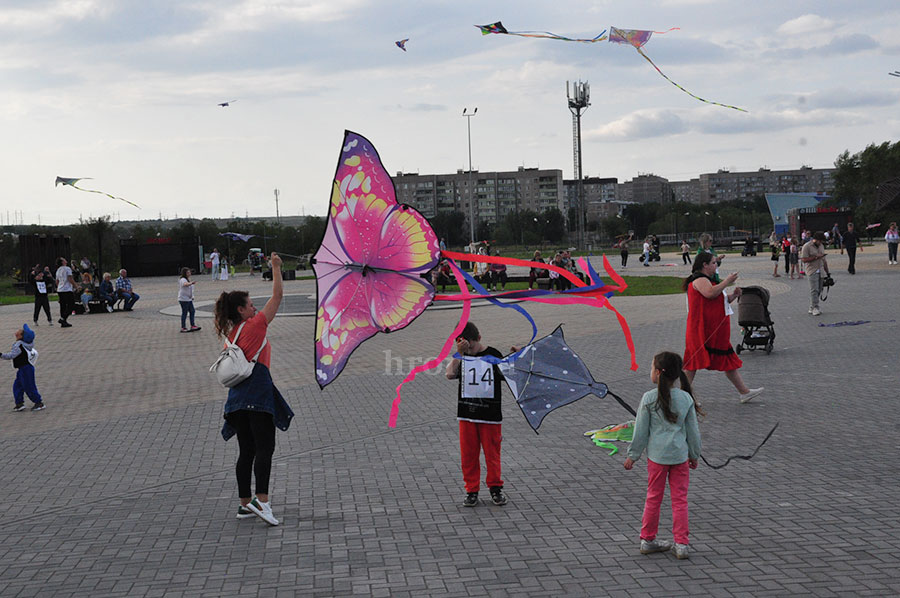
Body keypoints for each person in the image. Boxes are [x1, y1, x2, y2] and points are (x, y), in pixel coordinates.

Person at [215, 253, 293, 526]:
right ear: (240, 310)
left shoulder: (232, 334)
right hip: (257, 396)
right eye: (249, 305)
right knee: (265, 449)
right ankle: (263, 501)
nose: (254, 308)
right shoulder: (255, 325)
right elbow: (278, 297)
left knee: (246, 451)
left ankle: (245, 504)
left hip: (236, 400)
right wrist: (276, 268)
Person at [624, 351, 701, 560]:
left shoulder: (649, 398)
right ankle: (682, 544)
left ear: (658, 373)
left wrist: (633, 455)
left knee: (653, 498)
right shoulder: (685, 398)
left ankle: (648, 539)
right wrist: (694, 454)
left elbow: (641, 431)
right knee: (680, 500)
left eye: (651, 368)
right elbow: (693, 430)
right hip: (680, 457)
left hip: (657, 458)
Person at [682, 253, 763, 403]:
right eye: (713, 263)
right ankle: (681, 397)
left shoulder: (709, 280)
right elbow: (710, 294)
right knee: (693, 363)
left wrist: (733, 295)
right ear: (705, 265)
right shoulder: (699, 280)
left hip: (713, 331)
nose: (716, 265)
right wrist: (727, 281)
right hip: (700, 330)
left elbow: (719, 301)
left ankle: (744, 392)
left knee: (727, 360)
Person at [445, 322, 507, 508]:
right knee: (468, 455)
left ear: (478, 338)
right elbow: (449, 374)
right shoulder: (462, 356)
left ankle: (495, 488)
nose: (469, 350)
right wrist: (459, 355)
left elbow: (510, 374)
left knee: (492, 454)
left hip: (490, 414)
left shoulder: (493, 354)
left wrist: (517, 357)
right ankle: (471, 490)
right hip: (467, 414)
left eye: (471, 346)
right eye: (464, 346)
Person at [1, 324, 44, 411]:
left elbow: (12, 355)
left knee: (29, 386)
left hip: (25, 369)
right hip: (24, 368)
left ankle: (39, 403)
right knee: (17, 386)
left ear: (20, 336)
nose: (17, 331)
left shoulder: (18, 345)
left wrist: (1, 355)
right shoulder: (28, 343)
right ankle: (19, 403)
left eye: (19, 331)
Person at [800, 231, 830, 316]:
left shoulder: (821, 246)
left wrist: (828, 272)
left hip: (821, 270)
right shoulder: (807, 246)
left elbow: (824, 260)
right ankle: (815, 307)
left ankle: (811, 306)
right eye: (820, 241)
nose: (821, 243)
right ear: (815, 239)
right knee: (814, 290)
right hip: (812, 270)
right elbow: (803, 259)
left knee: (820, 289)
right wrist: (816, 257)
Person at [178, 267, 201, 333]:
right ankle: (183, 327)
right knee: (184, 312)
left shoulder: (188, 279)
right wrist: (191, 283)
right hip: (183, 299)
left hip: (188, 299)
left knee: (192, 311)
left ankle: (193, 325)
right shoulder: (182, 279)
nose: (189, 273)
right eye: (188, 272)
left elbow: (191, 290)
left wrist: (192, 296)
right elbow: (185, 285)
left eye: (189, 272)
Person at [55, 257, 76, 328]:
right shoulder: (67, 268)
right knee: (71, 305)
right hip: (67, 289)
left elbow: (57, 281)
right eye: (64, 259)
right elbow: (70, 278)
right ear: (63, 262)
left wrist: (59, 287)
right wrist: (76, 286)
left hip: (60, 290)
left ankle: (64, 322)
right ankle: (63, 318)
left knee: (63, 306)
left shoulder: (58, 270)